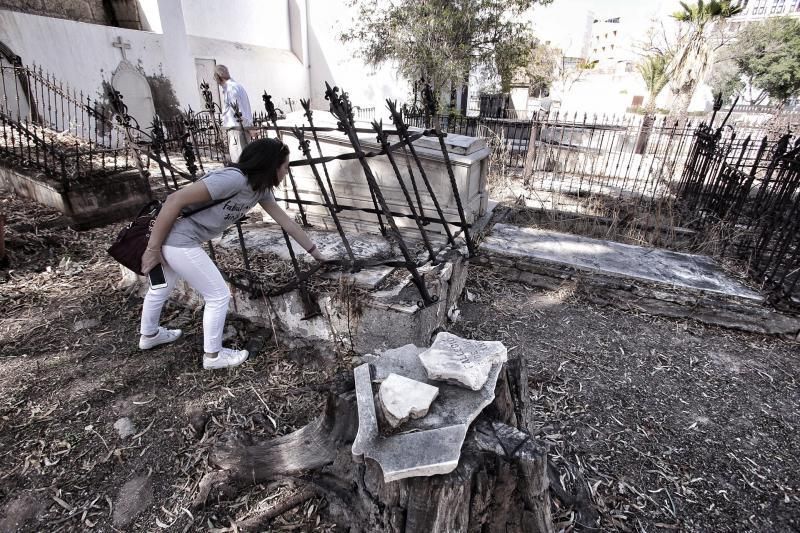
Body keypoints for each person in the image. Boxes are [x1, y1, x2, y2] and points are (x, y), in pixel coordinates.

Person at [138, 138, 324, 370]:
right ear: (271, 165)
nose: (287, 171)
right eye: (285, 166)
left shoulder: (260, 190)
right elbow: (174, 200)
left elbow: (287, 223)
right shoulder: (233, 179)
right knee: (218, 295)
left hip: (178, 242)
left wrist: (316, 253)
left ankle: (149, 335)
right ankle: (214, 356)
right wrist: (152, 249)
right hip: (176, 241)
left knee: (161, 287)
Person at [214, 64, 253, 163]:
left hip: (238, 130)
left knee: (239, 162)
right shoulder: (237, 86)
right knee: (245, 160)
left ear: (219, 77)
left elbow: (238, 112)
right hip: (242, 129)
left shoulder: (231, 89)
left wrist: (248, 128)